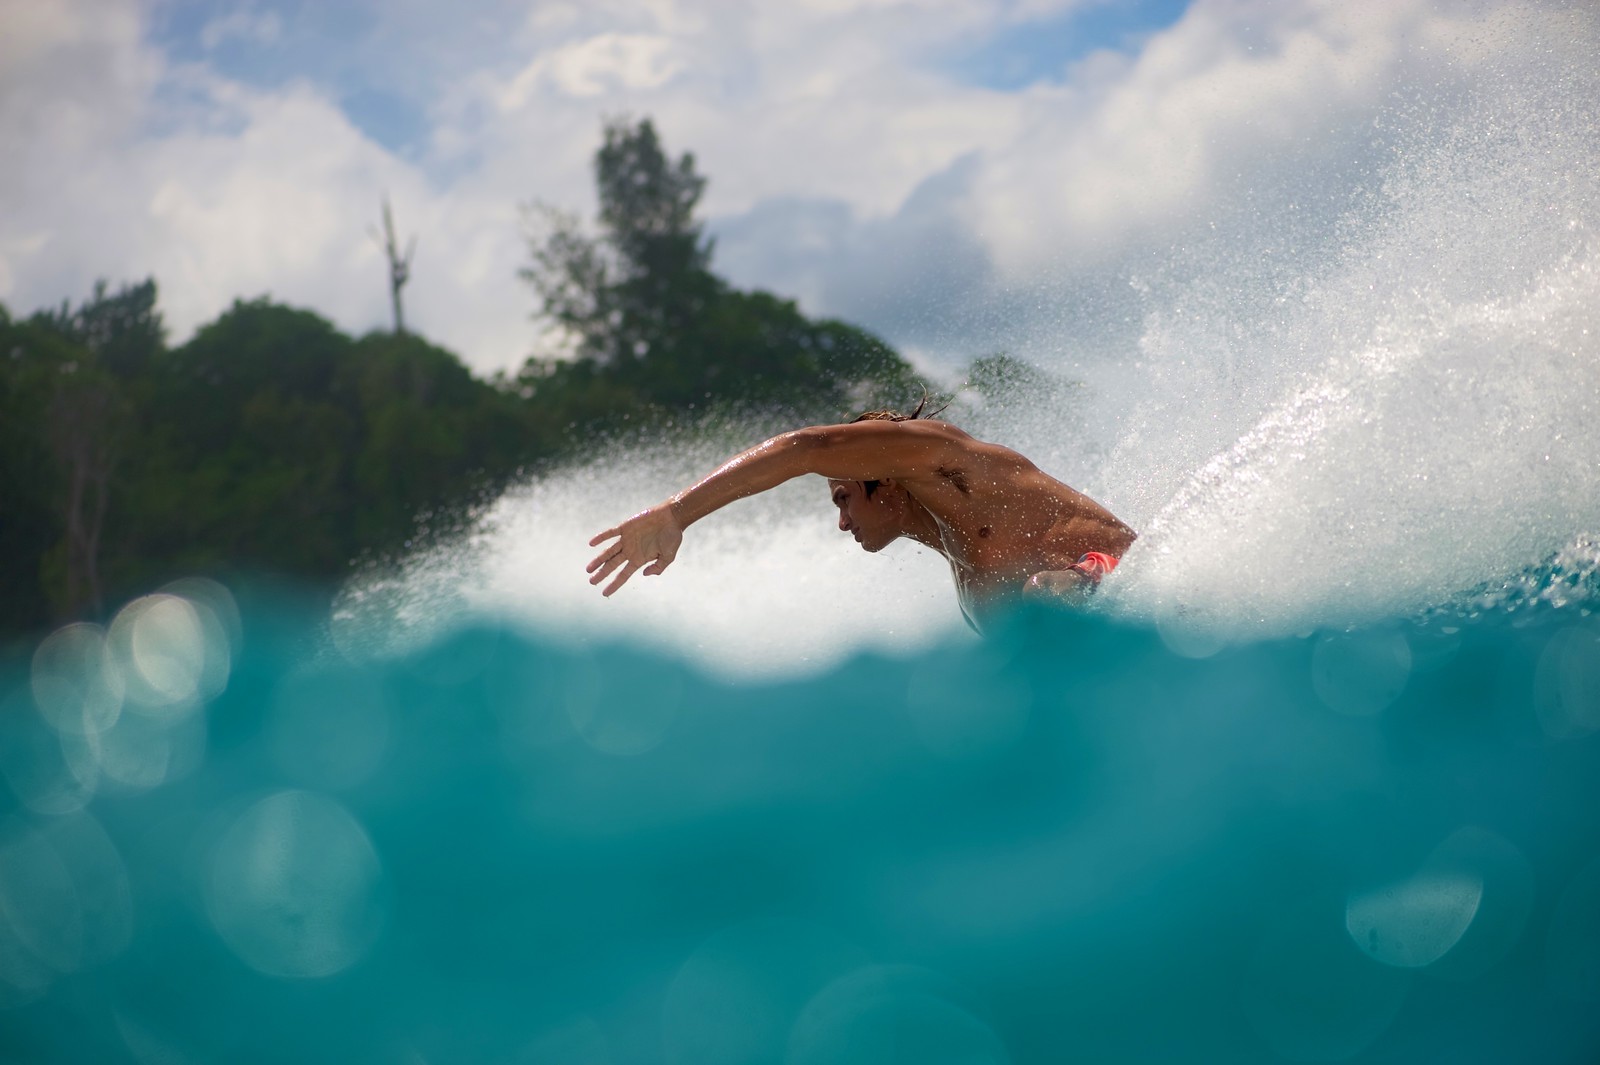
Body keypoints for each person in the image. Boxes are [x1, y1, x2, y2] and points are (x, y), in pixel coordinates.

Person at [585, 401, 1137, 632]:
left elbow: (803, 448)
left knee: (1044, 597)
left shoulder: (951, 464)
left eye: (845, 498)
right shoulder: (972, 587)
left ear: (888, 480)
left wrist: (678, 512)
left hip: (1139, 578)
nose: (843, 522)